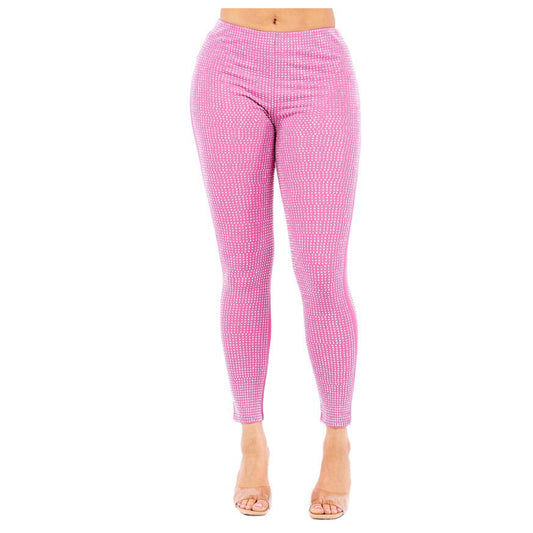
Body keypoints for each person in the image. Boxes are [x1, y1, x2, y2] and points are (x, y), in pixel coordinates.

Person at [189, 8, 361, 519]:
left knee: (323, 273)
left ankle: (337, 438)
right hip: (229, 65)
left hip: (319, 66)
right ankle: (251, 438)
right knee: (243, 269)